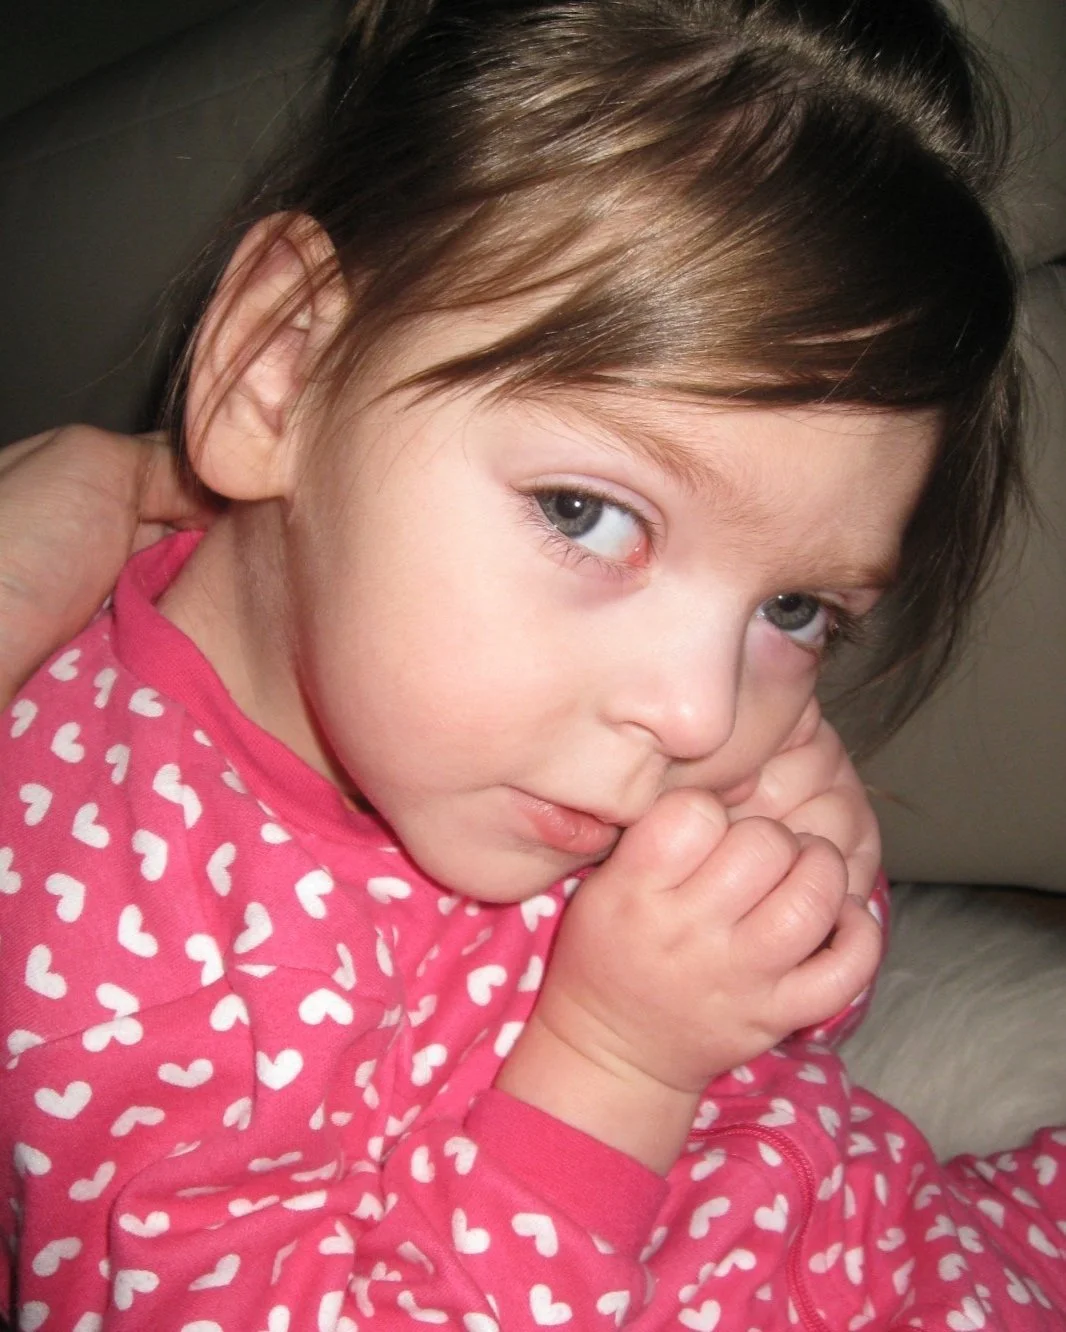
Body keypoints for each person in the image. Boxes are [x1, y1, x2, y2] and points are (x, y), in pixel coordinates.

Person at [1, 0, 1063, 1327]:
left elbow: (778, 1079)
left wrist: (787, 930)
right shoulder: (97, 936)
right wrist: (614, 1058)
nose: (696, 711)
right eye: (586, 514)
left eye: (793, 608)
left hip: (888, 1228)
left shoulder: (551, 711)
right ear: (281, 370)